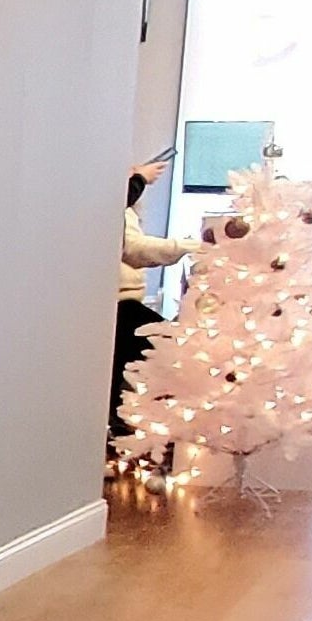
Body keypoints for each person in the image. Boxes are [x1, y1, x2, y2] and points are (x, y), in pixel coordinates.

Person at [113, 157, 190, 441]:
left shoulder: (125, 211)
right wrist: (189, 246)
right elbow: (134, 249)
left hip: (124, 304)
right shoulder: (116, 206)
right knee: (165, 343)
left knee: (124, 367)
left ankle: (122, 427)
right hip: (121, 305)